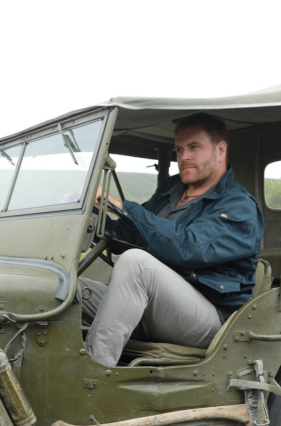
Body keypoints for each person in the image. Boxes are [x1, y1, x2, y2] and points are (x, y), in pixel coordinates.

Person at [80, 112, 264, 367]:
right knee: (63, 288)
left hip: (210, 315)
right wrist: (95, 217)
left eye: (194, 147)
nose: (184, 156)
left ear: (220, 150)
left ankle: (93, 373)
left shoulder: (239, 207)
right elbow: (136, 237)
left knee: (136, 264)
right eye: (179, 149)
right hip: (151, 302)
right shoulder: (171, 191)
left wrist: (124, 208)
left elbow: (189, 247)